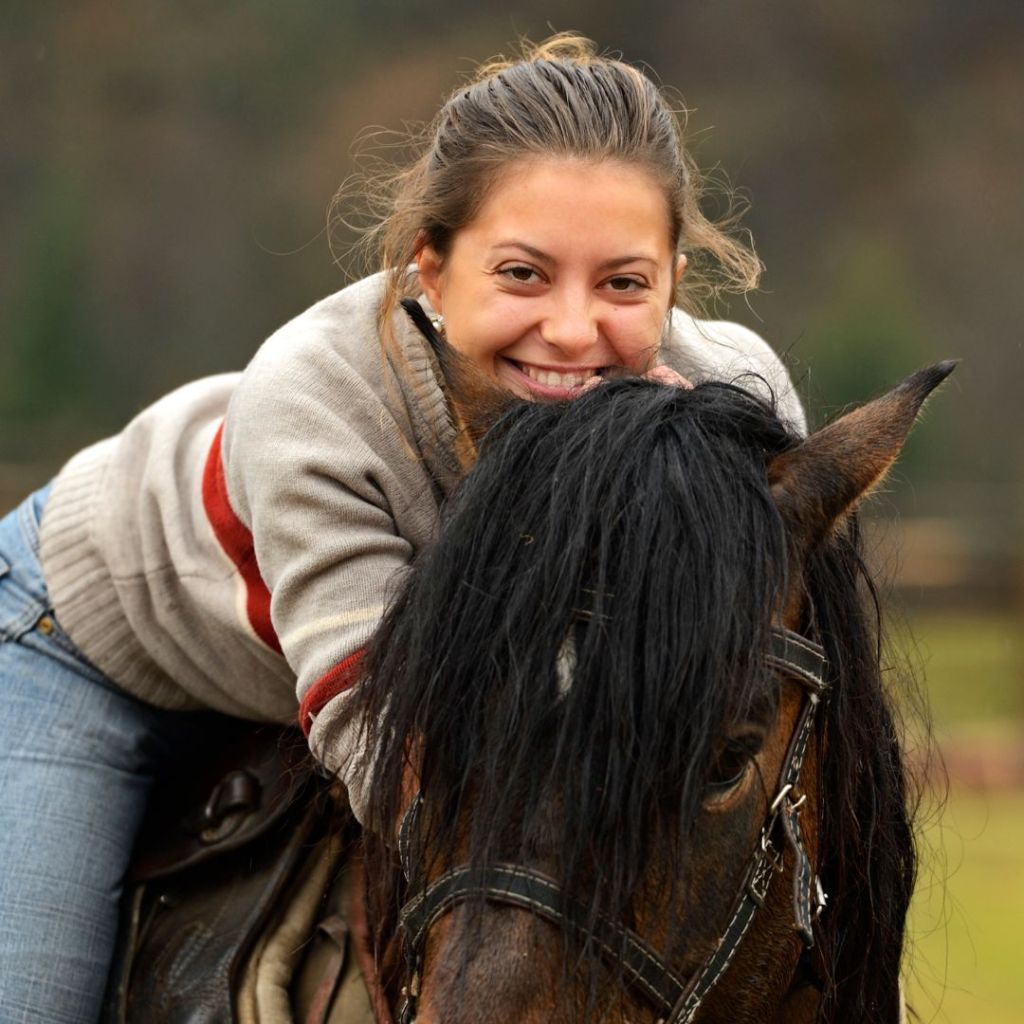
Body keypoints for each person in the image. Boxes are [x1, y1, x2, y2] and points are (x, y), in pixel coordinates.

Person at [0, 33, 805, 1024]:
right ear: (429, 263)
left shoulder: (737, 402)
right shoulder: (314, 404)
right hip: (91, 641)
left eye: (623, 283)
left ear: (675, 280)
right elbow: (390, 754)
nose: (569, 329)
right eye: (520, 273)